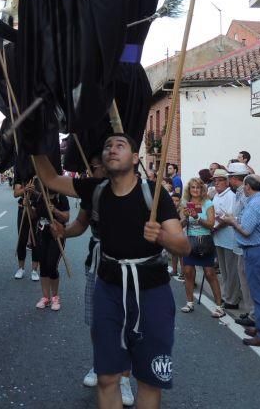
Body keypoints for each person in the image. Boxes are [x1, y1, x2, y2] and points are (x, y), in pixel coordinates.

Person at [35, 134, 190, 409]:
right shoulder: (96, 189)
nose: (112, 148)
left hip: (152, 293)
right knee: (107, 378)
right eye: (107, 145)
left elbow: (183, 246)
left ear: (134, 158)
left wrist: (162, 237)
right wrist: (30, 141)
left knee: (150, 379)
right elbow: (49, 179)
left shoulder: (153, 193)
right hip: (108, 290)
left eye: (120, 145)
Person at [75, 155, 134, 405]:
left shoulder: (133, 190)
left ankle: (124, 377)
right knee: (98, 322)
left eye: (95, 167)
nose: (92, 171)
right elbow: (79, 224)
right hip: (98, 263)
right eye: (91, 167)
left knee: (125, 323)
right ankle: (100, 366)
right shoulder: (92, 194)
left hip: (127, 266)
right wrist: (62, 231)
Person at [219, 174, 260, 347]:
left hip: (257, 251)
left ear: (247, 187)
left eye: (243, 186)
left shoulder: (255, 204)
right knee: (259, 293)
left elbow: (245, 230)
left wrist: (231, 221)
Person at [178, 178, 224, 316]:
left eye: (198, 187)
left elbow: (211, 225)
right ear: (189, 189)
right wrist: (185, 218)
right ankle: (189, 302)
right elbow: (180, 225)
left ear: (202, 189)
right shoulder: (185, 204)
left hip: (205, 241)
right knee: (187, 272)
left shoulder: (208, 203)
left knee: (210, 274)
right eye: (193, 187)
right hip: (190, 241)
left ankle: (219, 306)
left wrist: (197, 218)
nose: (195, 190)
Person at [30, 180, 69, 311]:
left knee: (52, 265)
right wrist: (28, 206)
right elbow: (33, 215)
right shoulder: (40, 197)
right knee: (44, 265)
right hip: (41, 233)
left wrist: (55, 211)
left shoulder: (61, 196)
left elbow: (66, 218)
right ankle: (45, 297)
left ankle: (55, 297)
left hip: (56, 233)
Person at [226, 163, 254, 326]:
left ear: (234, 178)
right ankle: (250, 312)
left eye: (230, 177)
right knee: (243, 278)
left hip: (246, 242)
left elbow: (245, 217)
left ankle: (253, 314)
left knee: (248, 280)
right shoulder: (239, 192)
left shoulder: (245, 193)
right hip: (240, 241)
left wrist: (232, 220)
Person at [211, 169, 240, 309]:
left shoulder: (231, 196)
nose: (216, 182)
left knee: (231, 269)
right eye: (215, 180)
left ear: (226, 181)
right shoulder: (217, 196)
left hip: (228, 237)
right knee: (223, 269)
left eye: (219, 180)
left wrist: (215, 227)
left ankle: (232, 299)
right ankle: (226, 295)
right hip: (218, 237)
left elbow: (228, 218)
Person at [13, 178, 40, 282]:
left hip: (36, 209)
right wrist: (25, 189)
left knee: (36, 240)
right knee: (22, 239)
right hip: (22, 207)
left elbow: (43, 194)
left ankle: (34, 270)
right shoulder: (21, 175)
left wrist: (34, 192)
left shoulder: (38, 176)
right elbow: (16, 193)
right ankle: (21, 268)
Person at [169, 192, 184, 281]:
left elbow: (183, 220)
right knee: (174, 254)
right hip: (173, 233)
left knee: (181, 255)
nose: (175, 202)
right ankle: (174, 270)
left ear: (180, 201)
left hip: (180, 233)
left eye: (177, 200)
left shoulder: (181, 209)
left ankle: (182, 272)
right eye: (173, 200)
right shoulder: (170, 208)